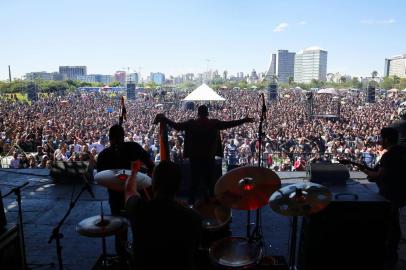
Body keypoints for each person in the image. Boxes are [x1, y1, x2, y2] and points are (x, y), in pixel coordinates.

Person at [155, 105, 254, 204]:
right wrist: (244, 120)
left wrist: (164, 119)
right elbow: (229, 124)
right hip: (209, 157)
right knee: (210, 183)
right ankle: (212, 207)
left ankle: (191, 205)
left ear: (198, 113)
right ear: (207, 113)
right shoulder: (214, 123)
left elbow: (177, 126)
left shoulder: (191, 123)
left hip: (195, 158)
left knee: (194, 183)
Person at [125, 160, 202, 270]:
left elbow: (129, 191)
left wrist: (133, 172)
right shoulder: (193, 217)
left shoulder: (139, 209)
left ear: (153, 182)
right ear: (178, 185)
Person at [96, 124, 154, 259]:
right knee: (139, 226)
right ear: (123, 136)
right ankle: (139, 256)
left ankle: (122, 257)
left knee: (119, 227)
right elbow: (151, 165)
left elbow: (101, 177)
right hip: (136, 194)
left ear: (109, 138)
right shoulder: (134, 147)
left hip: (116, 197)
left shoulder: (104, 155)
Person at [360, 127, 406, 269]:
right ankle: (393, 253)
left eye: (381, 138)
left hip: (390, 194)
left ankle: (389, 255)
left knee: (390, 224)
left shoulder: (389, 155)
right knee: (395, 222)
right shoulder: (402, 151)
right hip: (400, 192)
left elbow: (379, 175)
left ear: (386, 139)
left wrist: (365, 170)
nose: (379, 141)